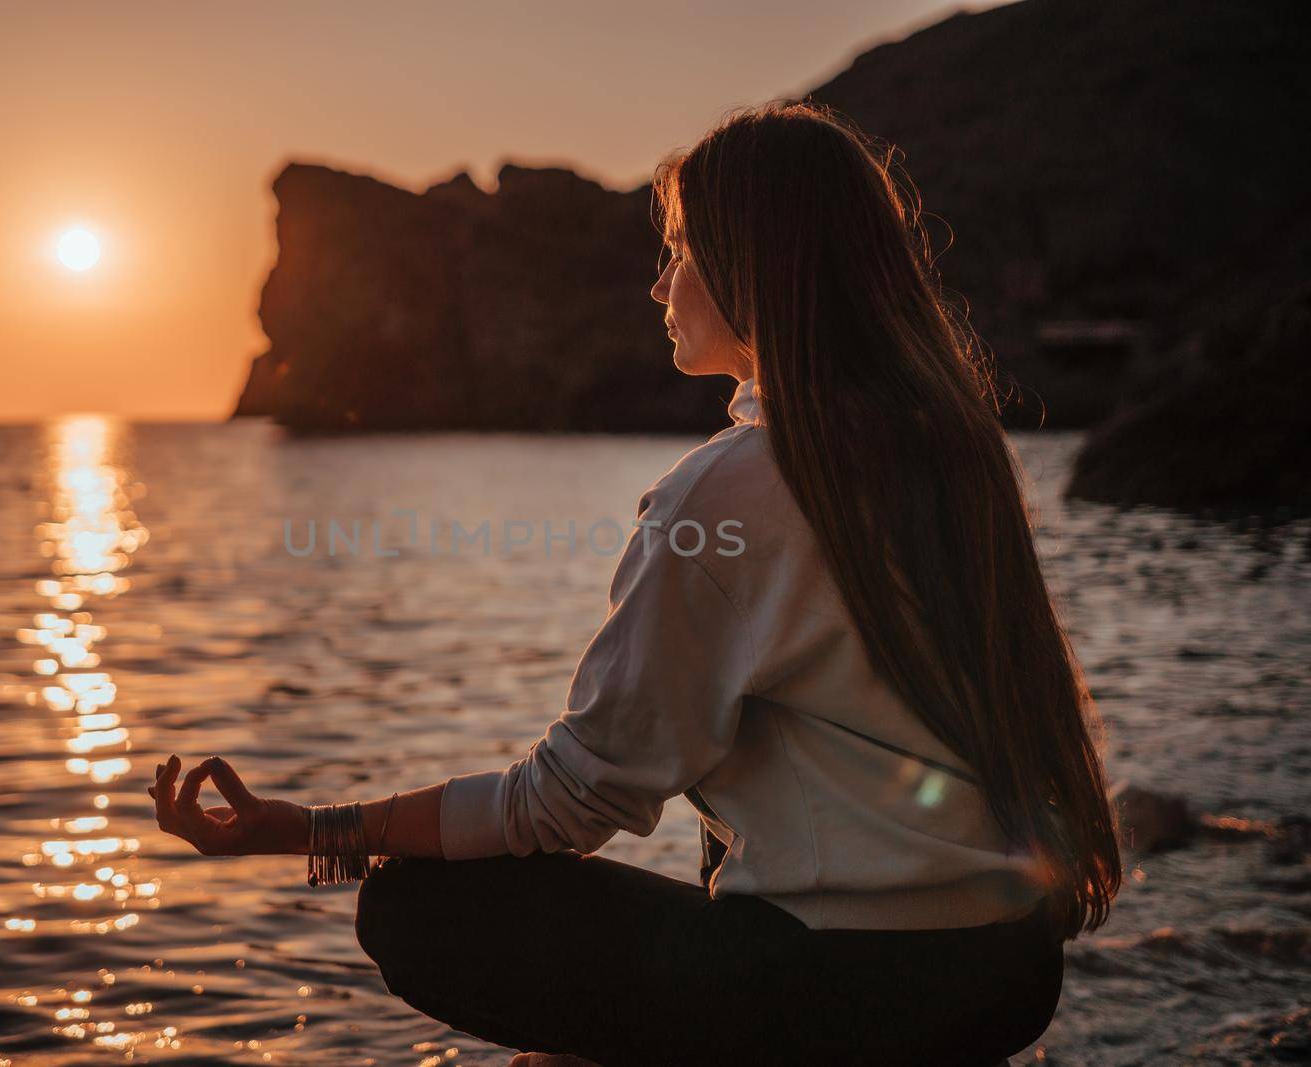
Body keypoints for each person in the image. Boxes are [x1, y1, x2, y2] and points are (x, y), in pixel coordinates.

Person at [149, 99, 1122, 1066]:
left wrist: (309, 828)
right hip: (1006, 973)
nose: (660, 284)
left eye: (681, 250)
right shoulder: (952, 451)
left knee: (412, 902)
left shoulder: (736, 485)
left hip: (856, 994)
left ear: (751, 268)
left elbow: (566, 801)